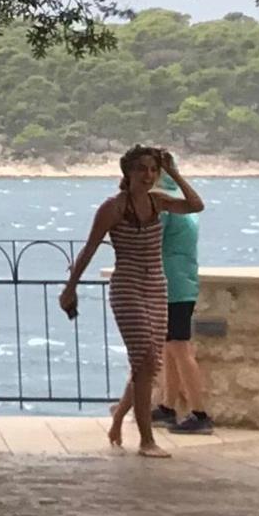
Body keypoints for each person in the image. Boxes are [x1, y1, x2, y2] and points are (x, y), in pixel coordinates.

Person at [63, 144, 195, 455]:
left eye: (153, 169)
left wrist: (173, 171)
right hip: (127, 287)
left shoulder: (159, 201)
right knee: (145, 358)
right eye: (141, 169)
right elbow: (89, 249)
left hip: (156, 286)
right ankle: (147, 441)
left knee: (148, 363)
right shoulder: (113, 208)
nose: (148, 175)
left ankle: (119, 415)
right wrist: (70, 288)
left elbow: (195, 205)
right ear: (128, 172)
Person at [153, 156, 212, 434]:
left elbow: (152, 241)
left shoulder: (163, 203)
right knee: (170, 345)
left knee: (179, 346)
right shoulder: (182, 199)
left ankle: (199, 413)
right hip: (185, 278)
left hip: (170, 283)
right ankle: (167, 406)